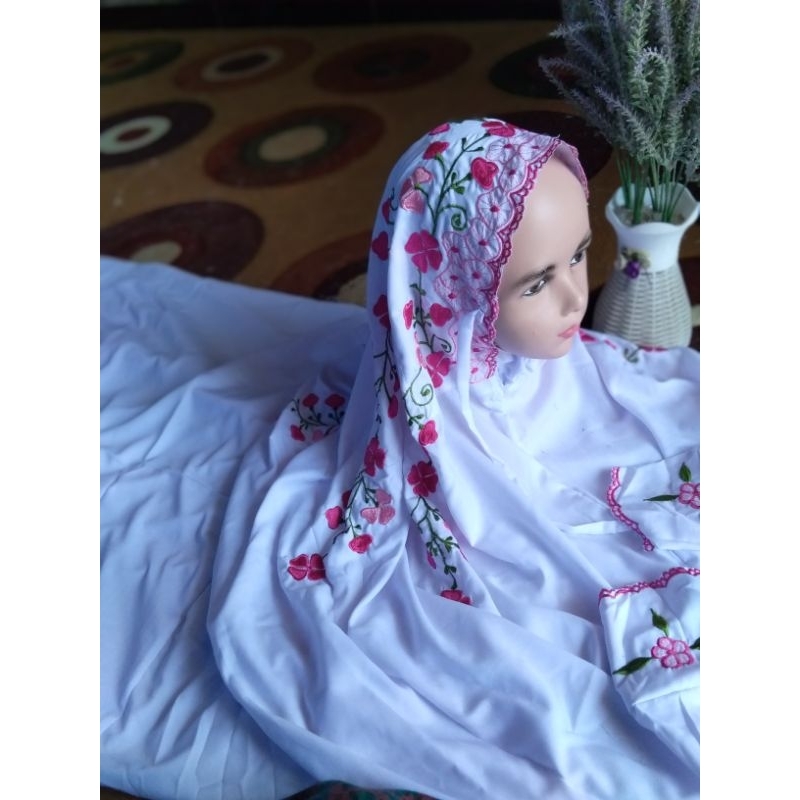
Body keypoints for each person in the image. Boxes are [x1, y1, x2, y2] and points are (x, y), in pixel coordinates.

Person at [101, 118, 699, 800]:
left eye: (580, 254)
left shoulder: (582, 373)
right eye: (536, 284)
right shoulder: (437, 435)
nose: (575, 298)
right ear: (454, 296)